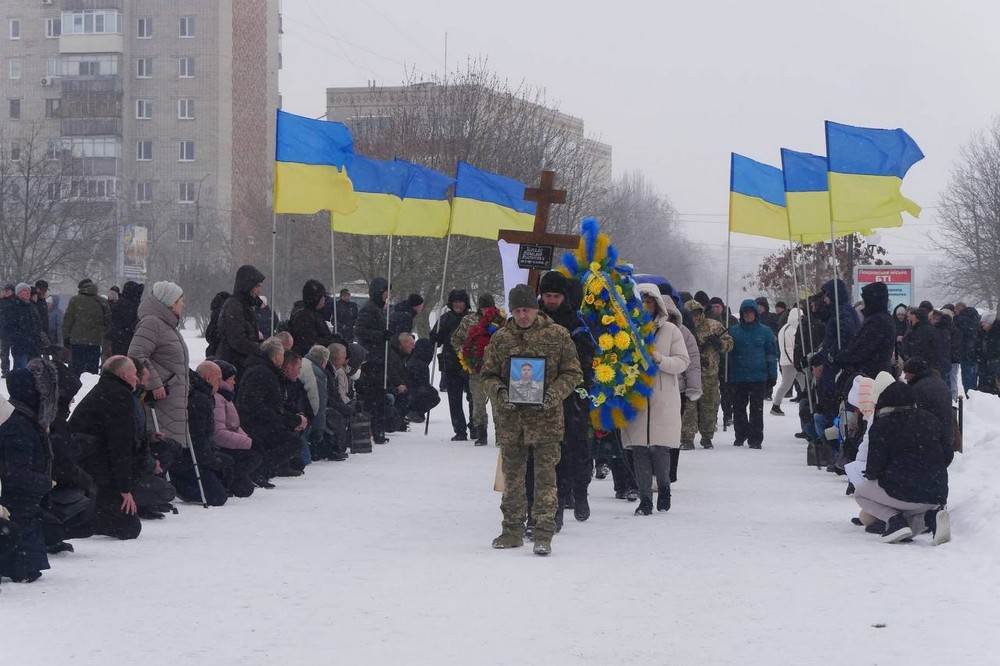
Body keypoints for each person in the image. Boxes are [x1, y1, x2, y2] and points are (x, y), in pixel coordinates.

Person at [481, 284, 582, 556]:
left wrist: (552, 395)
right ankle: (512, 529)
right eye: (517, 310)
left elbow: (573, 373)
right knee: (512, 478)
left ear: (536, 309)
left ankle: (543, 533)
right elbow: (487, 375)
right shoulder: (501, 339)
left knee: (545, 478)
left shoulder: (558, 335)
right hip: (512, 420)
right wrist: (501, 392)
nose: (522, 315)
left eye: (526, 309)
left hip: (546, 420)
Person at [854, 381, 952, 545]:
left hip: (902, 490)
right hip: (936, 493)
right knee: (910, 522)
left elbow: (873, 468)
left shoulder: (882, 426)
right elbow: (948, 455)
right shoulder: (931, 419)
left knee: (860, 493)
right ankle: (930, 518)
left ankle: (894, 520)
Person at [622, 285, 690, 515]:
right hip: (636, 395)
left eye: (649, 302)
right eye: (641, 302)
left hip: (663, 397)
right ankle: (645, 499)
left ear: (657, 305)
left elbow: (683, 361)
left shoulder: (671, 331)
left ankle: (664, 489)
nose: (645, 307)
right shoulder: (626, 330)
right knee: (638, 449)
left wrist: (660, 360)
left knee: (661, 449)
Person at [536, 273, 597, 521]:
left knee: (577, 449)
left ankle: (580, 492)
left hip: (572, 398)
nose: (551, 300)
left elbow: (586, 359)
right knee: (549, 454)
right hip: (540, 398)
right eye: (547, 296)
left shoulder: (576, 323)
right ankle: (556, 504)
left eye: (556, 296)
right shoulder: (533, 319)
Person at [69, 356, 142, 540]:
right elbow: (120, 444)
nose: (137, 379)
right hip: (95, 466)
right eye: (134, 374)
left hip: (85, 462)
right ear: (124, 375)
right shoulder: (119, 396)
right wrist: (124, 489)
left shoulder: (105, 389)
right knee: (129, 528)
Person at [0, 359, 58, 582]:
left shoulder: (21, 419)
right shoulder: (20, 426)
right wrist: (45, 483)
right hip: (19, 505)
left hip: (22, 504)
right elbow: (15, 474)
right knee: (28, 566)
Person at [128, 281, 191, 449]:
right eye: (180, 300)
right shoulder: (152, 323)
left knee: (171, 448)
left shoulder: (168, 325)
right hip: (161, 398)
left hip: (173, 396)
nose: (183, 304)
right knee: (162, 447)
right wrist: (155, 384)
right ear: (170, 303)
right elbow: (136, 354)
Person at [237, 338, 306, 487]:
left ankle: (264, 471)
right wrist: (282, 418)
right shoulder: (263, 372)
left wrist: (293, 417)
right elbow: (254, 403)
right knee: (292, 443)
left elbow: (275, 402)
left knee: (292, 443)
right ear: (276, 356)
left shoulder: (262, 370)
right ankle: (260, 471)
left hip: (261, 421)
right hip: (257, 424)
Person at [452, 293, 503, 445]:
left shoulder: (501, 320)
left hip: (497, 369)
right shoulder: (469, 320)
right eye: (484, 307)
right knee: (478, 402)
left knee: (498, 403)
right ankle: (481, 433)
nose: (486, 310)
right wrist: (465, 354)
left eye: (489, 307)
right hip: (476, 368)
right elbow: (456, 339)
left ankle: (500, 435)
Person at [727, 299, 778, 449]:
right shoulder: (734, 331)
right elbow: (728, 354)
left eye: (750, 312)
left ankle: (756, 438)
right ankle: (741, 434)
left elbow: (771, 354)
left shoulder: (765, 331)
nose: (748, 315)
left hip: (759, 377)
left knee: (757, 409)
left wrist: (772, 374)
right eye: (745, 313)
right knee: (739, 408)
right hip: (738, 376)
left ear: (756, 313)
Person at [683, 300, 734, 449]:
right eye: (691, 314)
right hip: (688, 374)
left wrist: (720, 344)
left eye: (697, 313)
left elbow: (730, 343)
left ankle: (707, 436)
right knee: (688, 408)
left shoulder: (714, 326)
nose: (694, 317)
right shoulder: (682, 328)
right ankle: (686, 438)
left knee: (709, 406)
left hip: (709, 374)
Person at [212, 359, 262, 496]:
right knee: (253, 456)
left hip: (228, 444)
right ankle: (226, 477)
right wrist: (249, 443)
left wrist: (248, 439)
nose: (234, 382)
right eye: (231, 379)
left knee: (246, 489)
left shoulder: (226, 397)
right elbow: (219, 433)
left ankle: (232, 478)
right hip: (222, 447)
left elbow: (234, 426)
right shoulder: (218, 399)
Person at [830, 282, 896, 380]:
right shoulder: (884, 318)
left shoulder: (876, 321)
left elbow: (861, 349)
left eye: (864, 299)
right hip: (877, 373)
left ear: (871, 300)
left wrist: (839, 358)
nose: (863, 302)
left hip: (869, 376)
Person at [432, 289, 473, 441]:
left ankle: (474, 426)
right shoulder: (445, 318)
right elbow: (435, 338)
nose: (457, 305)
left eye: (460, 302)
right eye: (455, 302)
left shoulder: (471, 318)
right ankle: (460, 430)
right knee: (454, 399)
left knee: (473, 398)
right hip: (451, 363)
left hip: (469, 363)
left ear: (465, 303)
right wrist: (436, 337)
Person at [217, 265, 266, 375]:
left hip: (242, 363)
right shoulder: (235, 306)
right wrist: (262, 348)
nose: (259, 290)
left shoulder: (245, 305)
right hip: (235, 365)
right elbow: (237, 341)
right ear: (248, 286)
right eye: (257, 286)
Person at [63, 279, 111, 378]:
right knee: (92, 372)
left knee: (76, 370)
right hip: (95, 342)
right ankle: (89, 389)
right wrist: (100, 334)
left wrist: (66, 337)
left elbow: (67, 320)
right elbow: (108, 322)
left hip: (77, 341)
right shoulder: (102, 301)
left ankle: (76, 389)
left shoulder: (75, 300)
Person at [288, 280, 340, 356]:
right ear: (315, 298)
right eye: (322, 297)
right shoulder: (304, 316)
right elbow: (309, 342)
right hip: (308, 359)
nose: (324, 299)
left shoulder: (314, 314)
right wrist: (332, 342)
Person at [2, 283, 42, 370]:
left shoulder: (31, 307)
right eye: (24, 290)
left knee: (31, 371)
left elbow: (37, 324)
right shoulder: (14, 306)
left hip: (32, 345)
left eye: (28, 290)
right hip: (20, 345)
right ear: (18, 293)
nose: (27, 292)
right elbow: (9, 325)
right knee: (21, 369)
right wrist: (18, 337)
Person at [771, 305, 801, 415]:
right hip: (789, 363)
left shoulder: (796, 328)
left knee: (804, 385)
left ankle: (805, 402)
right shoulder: (787, 330)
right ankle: (776, 405)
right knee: (785, 385)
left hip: (796, 361)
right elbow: (786, 348)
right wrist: (792, 360)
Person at [404, 338, 441, 421]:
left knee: (431, 393)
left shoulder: (417, 359)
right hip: (412, 391)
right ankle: (414, 410)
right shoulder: (419, 363)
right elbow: (421, 382)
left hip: (413, 390)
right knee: (432, 396)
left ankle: (416, 411)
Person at [355, 277, 390, 355]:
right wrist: (382, 335)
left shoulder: (377, 307)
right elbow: (359, 330)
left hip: (377, 351)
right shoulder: (369, 308)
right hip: (370, 352)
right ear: (379, 292)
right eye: (386, 291)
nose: (388, 295)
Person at [953, 302, 981, 396]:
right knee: (974, 378)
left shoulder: (959, 320)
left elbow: (957, 336)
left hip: (965, 352)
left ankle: (969, 396)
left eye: (955, 310)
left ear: (959, 309)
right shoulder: (977, 318)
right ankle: (974, 396)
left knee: (967, 378)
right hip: (976, 352)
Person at [109, 281, 143, 355]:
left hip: (119, 339)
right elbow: (131, 322)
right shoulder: (129, 305)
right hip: (125, 340)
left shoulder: (121, 302)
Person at [977, 312, 1000, 393]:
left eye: (984, 322)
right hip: (986, 360)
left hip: (995, 360)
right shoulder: (983, 332)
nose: (982, 324)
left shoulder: (996, 332)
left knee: (994, 381)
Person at [204, 291, 231, 358]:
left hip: (212, 350)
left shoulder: (214, 312)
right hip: (222, 351)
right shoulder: (224, 313)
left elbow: (209, 334)